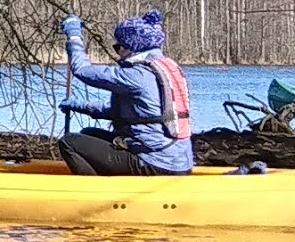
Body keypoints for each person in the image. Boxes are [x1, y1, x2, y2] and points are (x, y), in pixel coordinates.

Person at [60, 12, 200, 176]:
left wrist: (74, 36)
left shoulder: (137, 75)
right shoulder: (167, 68)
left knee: (69, 142)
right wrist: (83, 106)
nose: (117, 52)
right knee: (89, 134)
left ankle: (96, 192)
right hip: (178, 161)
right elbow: (128, 114)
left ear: (130, 48)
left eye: (118, 47)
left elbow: (83, 70)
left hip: (155, 163)